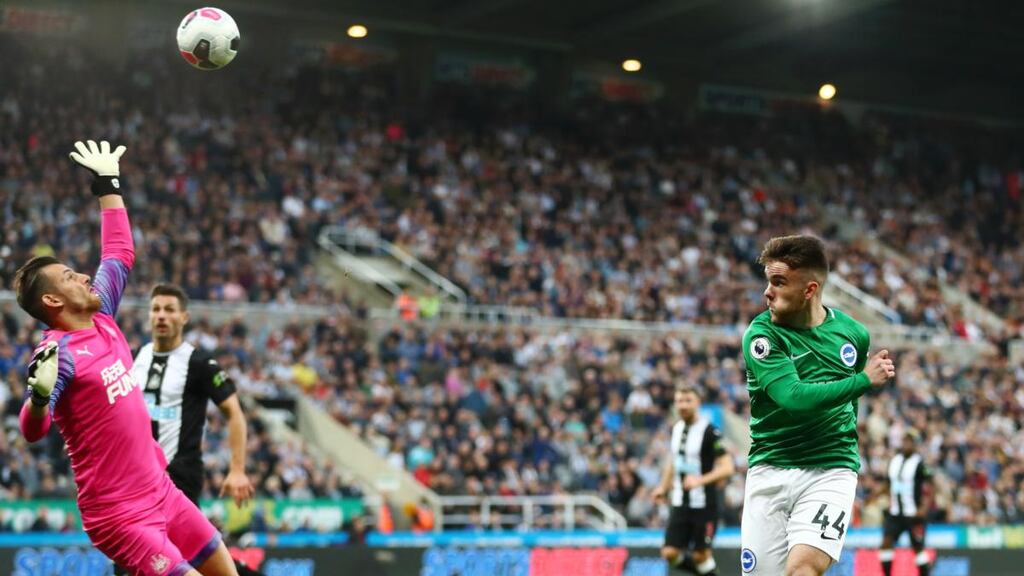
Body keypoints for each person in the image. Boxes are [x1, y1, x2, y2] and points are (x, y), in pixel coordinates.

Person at [16, 140, 238, 576]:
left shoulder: (101, 317)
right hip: (120, 515)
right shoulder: (57, 354)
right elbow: (32, 430)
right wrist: (38, 400)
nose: (82, 274)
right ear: (52, 300)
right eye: (68, 277)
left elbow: (119, 253)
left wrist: (108, 185)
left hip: (163, 490)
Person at [739, 235, 895, 576]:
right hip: (771, 467)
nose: (768, 292)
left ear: (809, 290)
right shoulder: (762, 335)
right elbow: (793, 398)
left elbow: (848, 404)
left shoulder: (853, 334)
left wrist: (845, 444)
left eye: (779, 283)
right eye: (768, 281)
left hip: (830, 469)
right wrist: (864, 380)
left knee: (803, 569)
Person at [123, 284, 260, 576]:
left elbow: (234, 414)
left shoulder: (199, 363)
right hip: (134, 478)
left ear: (184, 317)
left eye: (169, 310)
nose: (161, 316)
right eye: (156, 309)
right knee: (135, 560)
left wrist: (237, 469)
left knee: (179, 558)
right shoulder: (133, 358)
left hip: (179, 475)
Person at [652, 385, 734, 575]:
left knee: (700, 555)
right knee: (669, 553)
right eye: (679, 401)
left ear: (697, 403)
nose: (683, 405)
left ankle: (706, 569)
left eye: (688, 400)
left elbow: (727, 467)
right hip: (680, 502)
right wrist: (663, 488)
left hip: (705, 504)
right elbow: (673, 461)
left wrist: (700, 481)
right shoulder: (676, 429)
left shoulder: (710, 431)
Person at [879, 430, 933, 576]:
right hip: (895, 512)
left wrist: (923, 507)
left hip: (914, 513)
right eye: (905, 440)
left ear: (915, 444)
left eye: (910, 441)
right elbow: (887, 484)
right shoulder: (894, 461)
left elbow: (929, 487)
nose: (907, 444)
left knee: (918, 548)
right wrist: (876, 497)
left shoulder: (920, 464)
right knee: (886, 542)